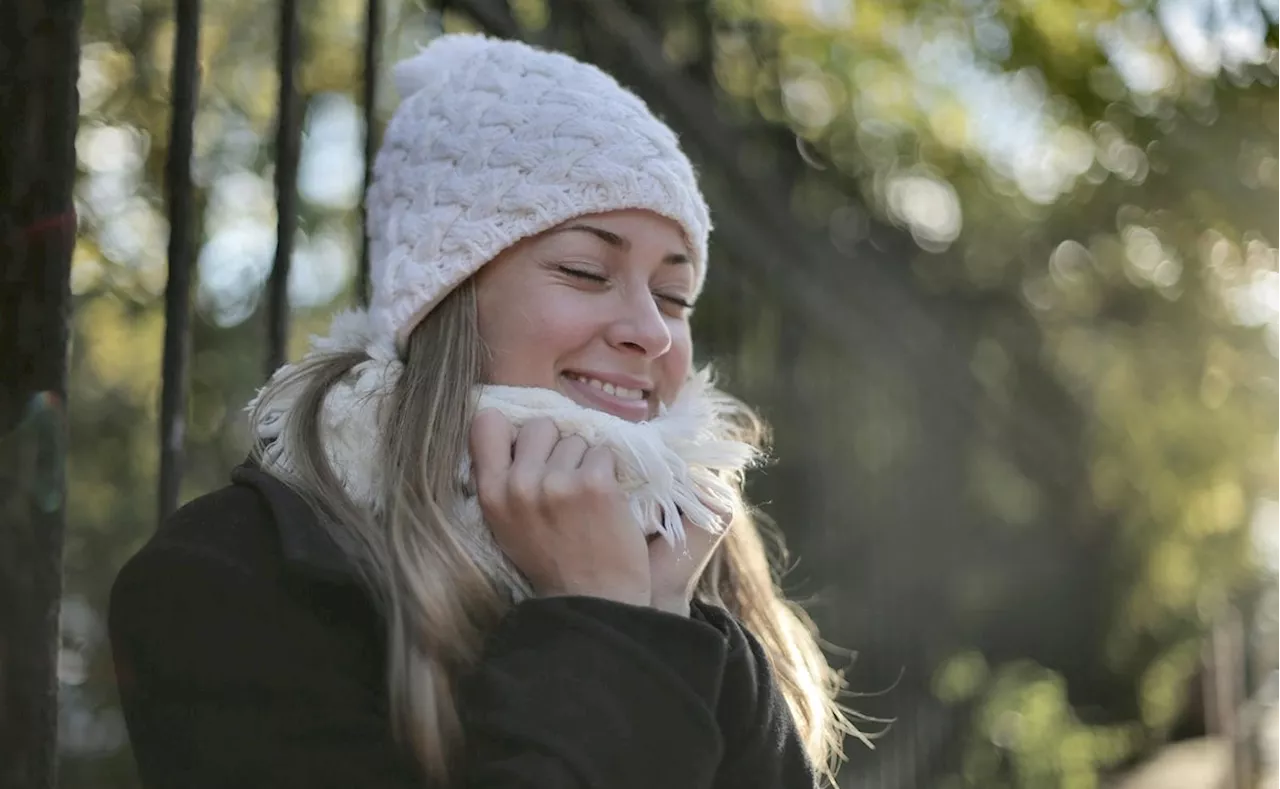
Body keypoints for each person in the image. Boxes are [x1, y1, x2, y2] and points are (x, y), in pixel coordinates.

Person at [108, 33, 856, 789]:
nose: (653, 330)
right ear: (443, 301)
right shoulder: (231, 577)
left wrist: (668, 616)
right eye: (585, 269)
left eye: (674, 295)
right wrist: (608, 624)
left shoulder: (699, 557)